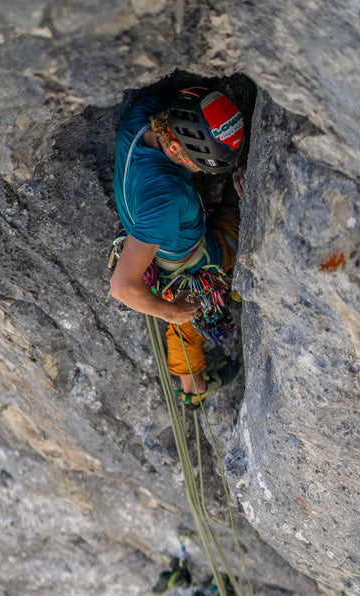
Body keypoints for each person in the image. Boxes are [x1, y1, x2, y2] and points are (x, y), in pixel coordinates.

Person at [110, 85, 246, 403]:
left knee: (185, 319)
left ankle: (194, 386)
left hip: (158, 236)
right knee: (190, 312)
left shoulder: (147, 114)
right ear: (174, 146)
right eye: (199, 164)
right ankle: (193, 388)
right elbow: (122, 287)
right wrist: (171, 311)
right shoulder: (165, 196)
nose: (200, 170)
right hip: (190, 258)